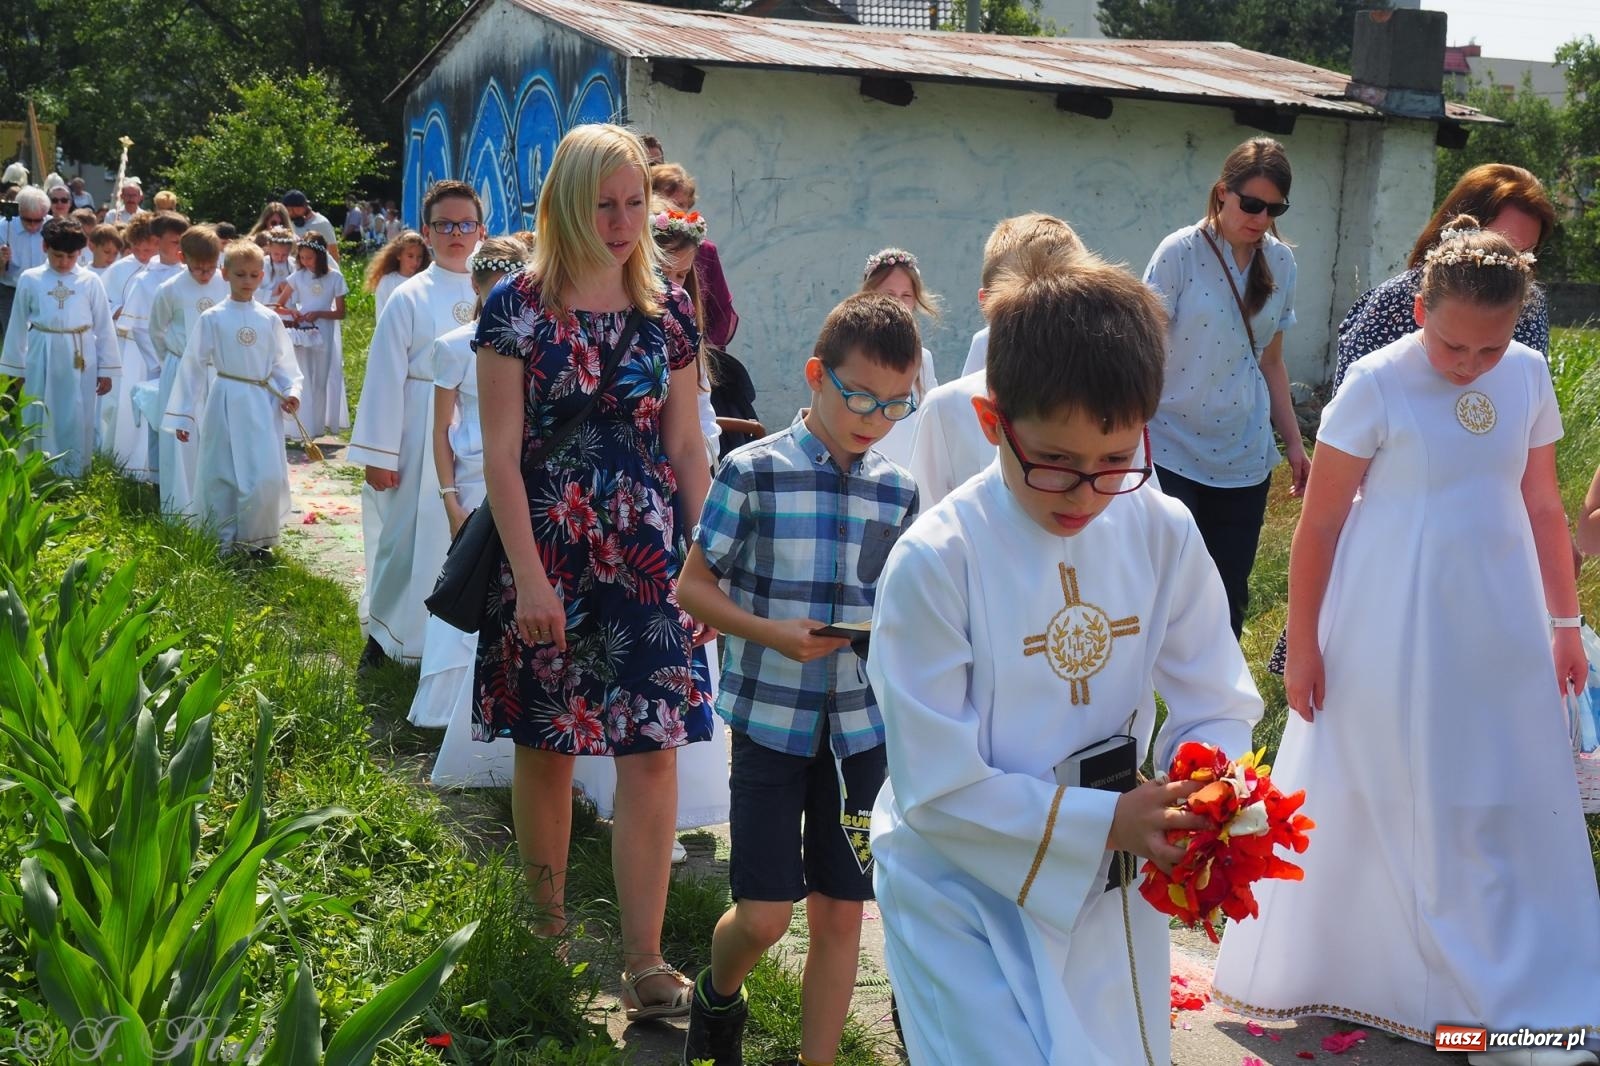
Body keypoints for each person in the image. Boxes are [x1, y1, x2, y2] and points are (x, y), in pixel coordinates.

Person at [1212, 220, 1600, 1066]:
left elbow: (1542, 506)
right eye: (1454, 344)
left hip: (1499, 612)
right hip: (1393, 612)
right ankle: (1391, 979)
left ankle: (1494, 981)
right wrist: (1303, 644)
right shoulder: (1376, 381)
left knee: (1495, 783)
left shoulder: (1527, 374)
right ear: (1421, 308)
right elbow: (1318, 526)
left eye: (1489, 348)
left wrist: (1565, 625)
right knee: (1399, 782)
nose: (1470, 365)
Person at [867, 243, 1262, 1066]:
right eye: (1055, 463)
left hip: (1109, 877)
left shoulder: (1159, 529)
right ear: (993, 423)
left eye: (1116, 461)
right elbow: (937, 784)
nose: (1087, 494)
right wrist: (1106, 821)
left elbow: (1216, 697)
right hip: (963, 884)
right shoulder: (938, 560)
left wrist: (1204, 791)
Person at [472, 123, 713, 1021]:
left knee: (653, 751)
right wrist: (530, 579)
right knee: (548, 746)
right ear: (567, 204)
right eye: (603, 204)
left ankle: (644, 961)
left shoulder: (668, 308)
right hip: (549, 551)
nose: (620, 222)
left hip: (647, 557)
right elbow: (500, 459)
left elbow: (686, 446)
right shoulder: (517, 306)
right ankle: (547, 942)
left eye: (634, 203)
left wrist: (705, 561)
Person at [676, 292, 923, 1066]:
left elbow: (904, 606)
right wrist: (769, 633)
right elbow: (693, 587)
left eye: (896, 405)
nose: (875, 419)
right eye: (860, 397)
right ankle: (717, 996)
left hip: (862, 733)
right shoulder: (753, 471)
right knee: (764, 915)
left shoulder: (900, 490)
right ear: (817, 376)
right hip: (770, 724)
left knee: (842, 916)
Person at [1143, 137, 1307, 638]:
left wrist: (1295, 444)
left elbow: (1271, 362)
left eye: (1274, 208)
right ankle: (1143, 688)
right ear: (1222, 193)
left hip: (1243, 455)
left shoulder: (1282, 263)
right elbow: (1142, 350)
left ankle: (1219, 690)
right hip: (1170, 447)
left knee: (1227, 595)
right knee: (1165, 591)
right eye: (1251, 204)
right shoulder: (1179, 252)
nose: (1261, 217)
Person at [411, 239, 528, 791]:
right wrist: (449, 496)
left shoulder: (530, 341)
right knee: (472, 585)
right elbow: (441, 429)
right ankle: (452, 709)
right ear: (476, 286)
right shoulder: (454, 345)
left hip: (520, 477)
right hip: (474, 480)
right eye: (490, 284)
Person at [347, 180, 480, 667]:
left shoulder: (501, 291)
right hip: (418, 426)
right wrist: (379, 453)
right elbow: (384, 375)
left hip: (478, 428)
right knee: (403, 535)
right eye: (445, 225)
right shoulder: (409, 296)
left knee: (460, 536)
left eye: (465, 224)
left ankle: (449, 643)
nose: (456, 234)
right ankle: (384, 633)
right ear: (427, 232)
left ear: (481, 230)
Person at [1331, 164, 1556, 394]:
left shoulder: (1530, 305)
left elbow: (1531, 395)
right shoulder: (1392, 300)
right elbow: (1353, 395)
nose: (1512, 265)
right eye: (1501, 247)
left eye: (1525, 254)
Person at [910, 214, 1085, 506]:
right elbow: (924, 517)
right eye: (1023, 295)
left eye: (1063, 292)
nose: (1044, 310)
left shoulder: (1111, 403)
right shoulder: (947, 410)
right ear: (985, 301)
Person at [164, 240, 302, 557]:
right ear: (225, 274)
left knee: (264, 473)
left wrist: (291, 392)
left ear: (262, 276)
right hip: (225, 399)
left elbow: (284, 364)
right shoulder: (213, 318)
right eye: (240, 274)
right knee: (222, 471)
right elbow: (193, 366)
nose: (247, 281)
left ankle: (258, 539)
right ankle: (223, 541)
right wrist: (184, 414)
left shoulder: (269, 319)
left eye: (254, 275)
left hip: (262, 403)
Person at [0, 218, 119, 477]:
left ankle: (74, 469)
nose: (64, 263)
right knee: (39, 407)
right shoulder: (30, 278)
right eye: (57, 255)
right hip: (41, 350)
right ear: (45, 247)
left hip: (79, 353)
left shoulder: (90, 281)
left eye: (71, 256)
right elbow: (17, 323)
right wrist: (17, 368)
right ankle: (37, 469)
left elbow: (104, 325)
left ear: (81, 252)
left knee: (76, 410)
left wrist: (106, 368)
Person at [150, 224, 228, 517]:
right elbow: (156, 330)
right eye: (198, 268)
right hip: (181, 368)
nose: (206, 274)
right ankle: (181, 510)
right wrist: (172, 361)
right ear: (183, 258)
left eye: (211, 267)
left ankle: (215, 507)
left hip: (217, 370)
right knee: (180, 439)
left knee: (216, 436)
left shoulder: (225, 283)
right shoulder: (169, 289)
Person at [859, 247, 940, 467]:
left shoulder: (922, 359)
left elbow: (930, 422)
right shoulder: (852, 352)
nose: (899, 304)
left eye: (907, 296)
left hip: (910, 470)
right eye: (889, 295)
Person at [651, 164, 739, 350]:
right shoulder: (638, 249)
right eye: (668, 202)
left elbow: (722, 312)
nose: (674, 211)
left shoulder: (705, 251)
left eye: (681, 205)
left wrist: (706, 350)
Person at [272, 234, 348, 439]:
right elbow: (279, 305)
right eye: (302, 258)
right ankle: (303, 425)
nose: (305, 262)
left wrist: (320, 313)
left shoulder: (335, 278)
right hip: (303, 332)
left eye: (310, 258)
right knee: (304, 375)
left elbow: (341, 313)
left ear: (321, 256)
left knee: (321, 379)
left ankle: (318, 426)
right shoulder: (298, 277)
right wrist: (293, 313)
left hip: (324, 330)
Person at [100, 213, 158, 478]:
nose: (144, 255)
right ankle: (124, 459)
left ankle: (150, 461)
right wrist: (119, 310)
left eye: (149, 249)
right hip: (130, 345)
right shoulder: (120, 270)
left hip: (156, 346)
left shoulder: (164, 269)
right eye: (138, 249)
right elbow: (104, 301)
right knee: (125, 402)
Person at [0, 186, 50, 346]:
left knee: (43, 338)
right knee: (14, 341)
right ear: (19, 212)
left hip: (44, 291)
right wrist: (1, 262)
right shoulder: (3, 228)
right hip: (11, 291)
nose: (33, 226)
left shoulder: (52, 226)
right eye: (28, 220)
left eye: (38, 220)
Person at [364, 231, 431, 318]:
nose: (415, 262)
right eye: (410, 256)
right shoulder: (387, 282)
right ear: (399, 255)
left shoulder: (425, 281)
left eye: (419, 257)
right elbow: (381, 315)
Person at [282, 190, 340, 262]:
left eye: (297, 210)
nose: (292, 213)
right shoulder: (287, 223)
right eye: (289, 210)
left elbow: (333, 252)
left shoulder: (321, 223)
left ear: (305, 206)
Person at [259, 227, 296, 302]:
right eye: (276, 254)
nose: (280, 258)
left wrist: (289, 289)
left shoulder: (293, 263)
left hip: (290, 304)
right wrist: (276, 291)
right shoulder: (262, 264)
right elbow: (254, 290)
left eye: (284, 255)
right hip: (269, 304)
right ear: (269, 248)